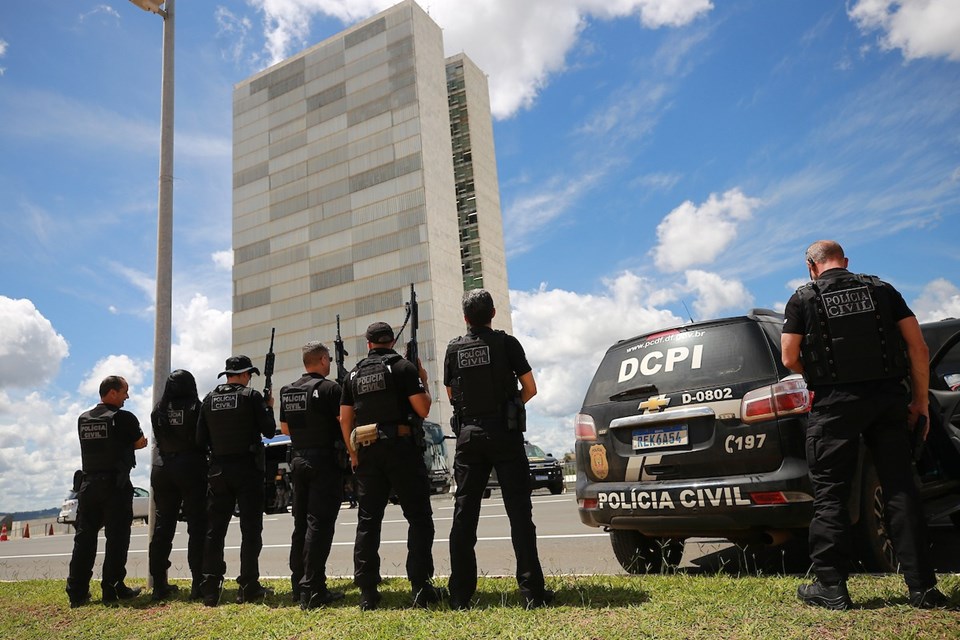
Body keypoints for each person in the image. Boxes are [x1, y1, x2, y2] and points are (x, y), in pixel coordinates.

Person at [782, 240, 948, 610]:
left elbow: (789, 357)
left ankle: (831, 588)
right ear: (846, 262)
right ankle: (922, 588)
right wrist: (919, 401)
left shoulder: (803, 299)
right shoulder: (883, 290)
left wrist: (824, 374)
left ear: (811, 266)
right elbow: (918, 348)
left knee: (831, 494)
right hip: (887, 400)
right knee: (900, 488)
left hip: (834, 406)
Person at [444, 289, 553, 610]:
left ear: (465, 318)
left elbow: (452, 394)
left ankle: (461, 595)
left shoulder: (453, 349)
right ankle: (532, 592)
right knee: (520, 514)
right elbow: (530, 388)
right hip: (504, 433)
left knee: (464, 515)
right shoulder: (508, 344)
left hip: (469, 435)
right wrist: (510, 405)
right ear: (492, 313)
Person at [339, 322, 444, 610]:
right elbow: (423, 409)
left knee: (368, 522)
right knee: (419, 518)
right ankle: (421, 587)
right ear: (391, 341)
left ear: (368, 342)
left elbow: (344, 419)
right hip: (401, 450)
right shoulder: (404, 368)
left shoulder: (353, 374)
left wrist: (353, 453)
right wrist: (422, 378)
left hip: (367, 450)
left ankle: (367, 593)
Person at [196, 355, 277, 607]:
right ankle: (248, 586)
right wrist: (268, 406)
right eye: (249, 374)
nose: (250, 378)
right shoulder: (251, 397)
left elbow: (200, 440)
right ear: (243, 375)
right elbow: (269, 431)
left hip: (218, 471)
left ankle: (210, 588)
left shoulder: (208, 399)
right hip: (247, 469)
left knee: (214, 530)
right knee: (250, 530)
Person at [65, 376, 148, 608]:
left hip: (88, 486)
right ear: (112, 393)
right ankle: (112, 588)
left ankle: (77, 592)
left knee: (84, 539)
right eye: (124, 392)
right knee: (117, 538)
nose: (127, 397)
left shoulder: (83, 418)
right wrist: (134, 444)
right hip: (115, 485)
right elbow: (139, 442)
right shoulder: (124, 418)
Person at [279, 341, 346, 609]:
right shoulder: (330, 389)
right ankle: (314, 588)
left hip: (298, 460)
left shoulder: (288, 390)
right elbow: (344, 422)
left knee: (301, 524)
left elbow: (285, 429)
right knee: (319, 524)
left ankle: (299, 584)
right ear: (320, 360)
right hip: (323, 461)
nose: (330, 362)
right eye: (328, 358)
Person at [148, 369, 207, 601]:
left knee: (163, 527)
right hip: (191, 466)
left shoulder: (158, 410)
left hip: (162, 468)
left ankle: (159, 584)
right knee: (197, 526)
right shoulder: (196, 407)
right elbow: (203, 439)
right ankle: (198, 582)